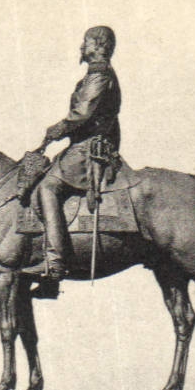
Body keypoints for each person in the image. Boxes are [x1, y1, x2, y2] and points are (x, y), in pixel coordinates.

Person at [33, 25, 122, 280]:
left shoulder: (99, 75)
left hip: (88, 149)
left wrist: (59, 128)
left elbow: (83, 112)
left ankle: (55, 262)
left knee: (46, 188)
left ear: (99, 46)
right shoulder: (98, 74)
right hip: (86, 144)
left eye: (86, 42)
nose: (82, 47)